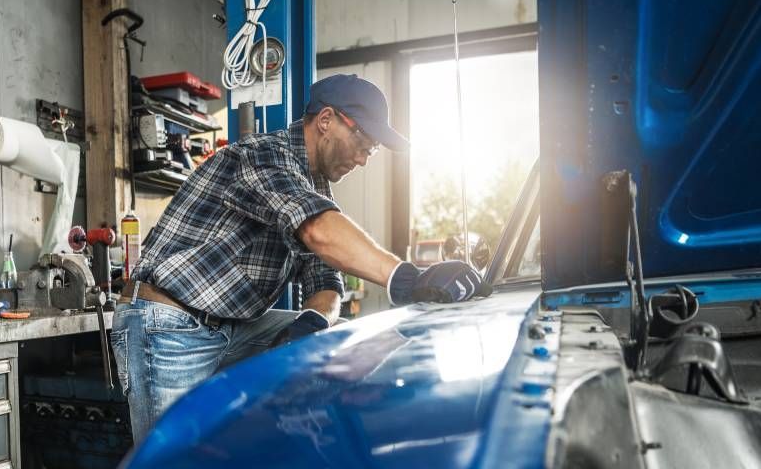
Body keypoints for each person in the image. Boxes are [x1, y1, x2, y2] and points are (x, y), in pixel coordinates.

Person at [112, 74, 484, 441]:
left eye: (371, 150)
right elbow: (318, 231)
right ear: (326, 120)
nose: (364, 158)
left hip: (229, 326)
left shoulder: (314, 186)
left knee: (334, 341)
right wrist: (407, 279)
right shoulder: (261, 156)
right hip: (168, 324)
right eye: (363, 142)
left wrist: (314, 320)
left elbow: (326, 279)